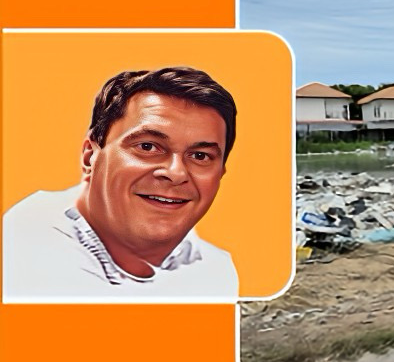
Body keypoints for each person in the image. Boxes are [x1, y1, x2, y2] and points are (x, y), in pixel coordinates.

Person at [2, 67, 239, 301]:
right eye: (147, 146)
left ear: (220, 173)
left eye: (200, 156)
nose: (176, 173)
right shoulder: (25, 238)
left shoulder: (217, 271)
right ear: (90, 156)